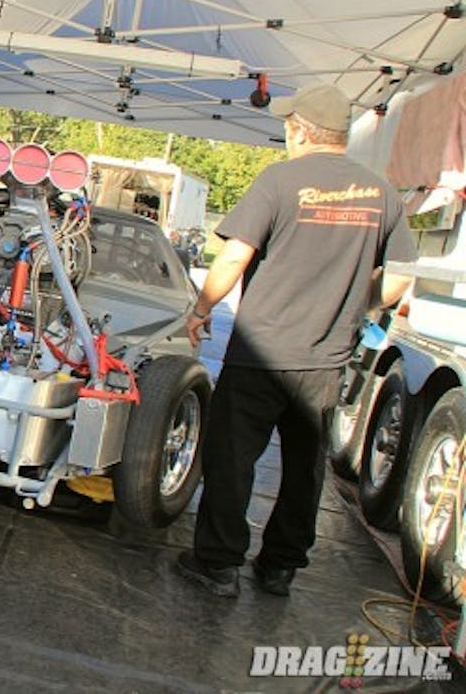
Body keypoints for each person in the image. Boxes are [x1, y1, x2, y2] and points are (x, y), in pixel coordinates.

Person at [175, 83, 416, 597]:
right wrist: (356, 304)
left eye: (289, 126)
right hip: (325, 359)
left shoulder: (280, 181)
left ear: (302, 131)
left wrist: (201, 309)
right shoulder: (382, 193)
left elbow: (234, 255)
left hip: (260, 352)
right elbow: (398, 278)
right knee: (305, 467)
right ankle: (280, 568)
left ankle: (218, 565)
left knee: (232, 458)